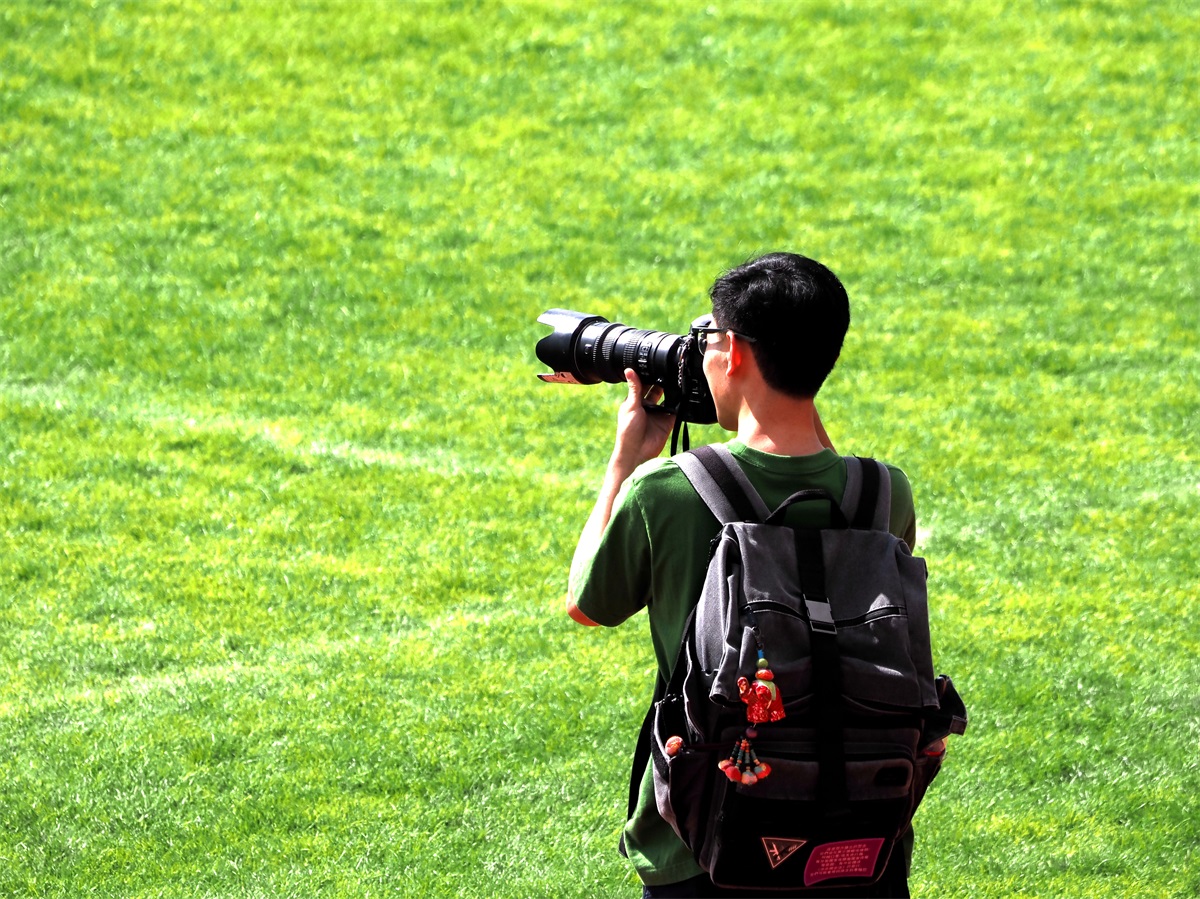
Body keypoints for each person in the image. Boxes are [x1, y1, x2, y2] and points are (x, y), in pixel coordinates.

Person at [565, 252, 922, 898]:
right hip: (859, 837)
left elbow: (587, 603)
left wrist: (626, 460)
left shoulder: (666, 491)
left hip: (704, 841)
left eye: (708, 338)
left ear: (733, 352)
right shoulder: (884, 494)